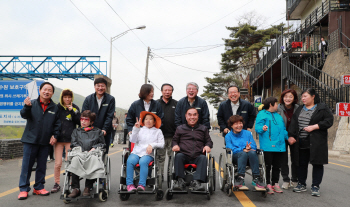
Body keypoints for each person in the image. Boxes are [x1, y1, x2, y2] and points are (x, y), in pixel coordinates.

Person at [18, 82, 61, 200]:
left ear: (52, 93)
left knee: (42, 166)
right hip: (30, 140)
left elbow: (57, 124)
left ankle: (39, 187)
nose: (47, 92)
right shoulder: (32, 103)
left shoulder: (55, 107)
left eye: (49, 90)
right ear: (40, 90)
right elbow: (23, 115)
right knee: (26, 166)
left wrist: (55, 135)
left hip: (45, 141)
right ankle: (23, 189)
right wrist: (26, 106)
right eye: (44, 89)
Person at [288, 88, 333, 197]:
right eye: (302, 96)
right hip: (301, 141)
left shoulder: (322, 108)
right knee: (301, 163)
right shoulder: (299, 109)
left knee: (317, 164)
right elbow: (294, 123)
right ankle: (301, 184)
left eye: (305, 96)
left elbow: (329, 121)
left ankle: (315, 186)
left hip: (317, 142)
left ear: (313, 96)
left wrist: (315, 126)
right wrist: (291, 136)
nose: (303, 98)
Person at [172, 107, 213, 191]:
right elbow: (174, 140)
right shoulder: (180, 128)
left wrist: (208, 146)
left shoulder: (203, 129)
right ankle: (180, 181)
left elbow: (209, 141)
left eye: (195, 115)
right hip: (184, 154)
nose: (192, 117)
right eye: (189, 115)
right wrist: (175, 145)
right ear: (186, 116)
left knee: (203, 158)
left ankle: (197, 182)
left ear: (198, 116)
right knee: (178, 156)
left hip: (198, 155)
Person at [67, 110, 106, 198]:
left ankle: (88, 187)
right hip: (79, 152)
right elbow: (73, 143)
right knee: (75, 159)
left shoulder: (98, 131)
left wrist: (94, 147)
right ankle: (75, 188)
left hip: (92, 153)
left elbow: (102, 144)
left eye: (86, 119)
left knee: (92, 160)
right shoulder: (76, 131)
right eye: (82, 119)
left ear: (91, 122)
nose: (83, 121)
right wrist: (80, 150)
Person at [255, 97, 288, 194]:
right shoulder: (262, 114)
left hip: (280, 146)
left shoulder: (278, 116)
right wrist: (262, 128)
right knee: (267, 166)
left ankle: (275, 183)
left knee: (277, 166)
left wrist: (288, 138)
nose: (277, 105)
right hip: (267, 145)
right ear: (271, 104)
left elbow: (283, 129)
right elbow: (257, 127)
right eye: (276, 104)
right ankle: (268, 184)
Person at [225, 115, 266, 191]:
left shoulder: (248, 133)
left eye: (240, 123)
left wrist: (249, 148)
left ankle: (256, 178)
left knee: (252, 153)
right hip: (235, 157)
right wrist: (243, 149)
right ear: (231, 125)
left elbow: (253, 145)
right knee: (243, 153)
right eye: (236, 124)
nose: (239, 125)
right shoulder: (228, 136)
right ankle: (240, 177)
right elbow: (230, 148)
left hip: (250, 157)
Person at [51, 89, 81, 193]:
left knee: (70, 162)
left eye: (69, 97)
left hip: (70, 139)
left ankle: (70, 182)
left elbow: (79, 121)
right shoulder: (57, 108)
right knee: (58, 163)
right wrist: (53, 135)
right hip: (59, 139)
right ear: (62, 98)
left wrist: (72, 110)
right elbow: (53, 122)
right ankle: (57, 183)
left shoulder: (75, 107)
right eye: (65, 97)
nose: (67, 99)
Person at [126, 111, 164, 192]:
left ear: (154, 122)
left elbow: (162, 144)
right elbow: (132, 140)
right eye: (146, 119)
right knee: (130, 161)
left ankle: (141, 185)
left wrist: (152, 145)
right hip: (136, 152)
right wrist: (135, 129)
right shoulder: (139, 129)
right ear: (143, 121)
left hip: (148, 154)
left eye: (151, 119)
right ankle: (130, 185)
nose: (148, 121)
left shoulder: (158, 131)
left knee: (143, 162)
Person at [82, 77, 115, 154]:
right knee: (89, 154)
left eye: (102, 86)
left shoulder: (110, 99)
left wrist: (104, 129)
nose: (100, 88)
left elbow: (109, 116)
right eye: (98, 86)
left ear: (106, 87)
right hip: (90, 133)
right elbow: (84, 114)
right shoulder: (88, 99)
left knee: (103, 154)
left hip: (104, 133)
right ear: (94, 87)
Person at [276, 89, 299, 190]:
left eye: (290, 96)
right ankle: (286, 179)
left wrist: (294, 136)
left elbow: (302, 123)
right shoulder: (278, 108)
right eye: (285, 96)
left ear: (294, 98)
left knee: (296, 159)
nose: (287, 99)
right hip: (282, 137)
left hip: (295, 137)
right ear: (282, 98)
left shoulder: (299, 108)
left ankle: (294, 179)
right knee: (283, 159)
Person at [157, 83, 178, 180]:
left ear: (172, 92)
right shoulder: (156, 103)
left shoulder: (176, 104)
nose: (167, 92)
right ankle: (159, 176)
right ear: (161, 91)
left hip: (173, 136)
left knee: (172, 157)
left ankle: (171, 176)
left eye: (169, 90)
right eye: (165, 90)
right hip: (159, 136)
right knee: (160, 158)